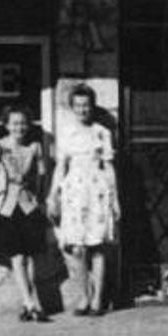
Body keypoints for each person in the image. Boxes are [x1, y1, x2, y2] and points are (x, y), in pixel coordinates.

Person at [48, 84, 119, 316]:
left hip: (97, 192)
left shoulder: (102, 132)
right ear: (72, 107)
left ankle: (98, 298)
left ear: (92, 106)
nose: (82, 110)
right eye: (78, 106)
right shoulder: (67, 132)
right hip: (74, 194)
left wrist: (115, 199)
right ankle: (83, 296)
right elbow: (60, 166)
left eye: (86, 105)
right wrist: (53, 194)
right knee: (77, 248)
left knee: (97, 247)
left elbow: (108, 167)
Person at [0, 103, 50, 322]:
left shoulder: (34, 148)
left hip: (27, 207)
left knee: (30, 257)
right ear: (7, 125)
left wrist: (41, 201)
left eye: (23, 123)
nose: (19, 127)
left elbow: (41, 179)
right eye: (14, 123)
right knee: (17, 257)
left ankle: (29, 305)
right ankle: (31, 303)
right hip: (5, 208)